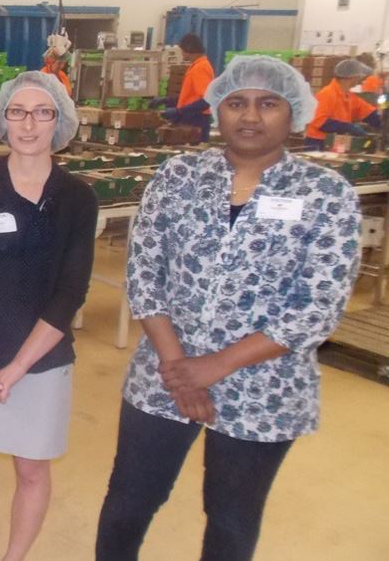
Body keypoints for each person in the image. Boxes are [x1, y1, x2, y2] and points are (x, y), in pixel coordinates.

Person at [95, 55, 362, 561]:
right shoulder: (178, 176)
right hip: (163, 378)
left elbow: (317, 305)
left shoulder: (326, 194)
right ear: (218, 109)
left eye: (268, 104)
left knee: (232, 520)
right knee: (129, 501)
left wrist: (214, 367)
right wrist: (179, 368)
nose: (251, 116)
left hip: (264, 389)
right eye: (237, 102)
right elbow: (145, 271)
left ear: (294, 113)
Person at [0, 71, 97, 561]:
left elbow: (70, 292)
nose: (29, 123)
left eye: (42, 112)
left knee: (32, 467)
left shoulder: (78, 198)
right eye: (18, 112)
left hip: (43, 360)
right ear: (2, 120)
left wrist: (18, 367)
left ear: (60, 121)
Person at [304, 58, 379, 150]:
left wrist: (384, 122)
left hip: (335, 142)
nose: (360, 79)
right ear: (352, 77)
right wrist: (348, 127)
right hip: (318, 143)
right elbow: (319, 121)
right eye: (359, 76)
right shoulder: (327, 94)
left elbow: (369, 114)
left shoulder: (349, 96)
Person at [162, 33, 215, 142]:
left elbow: (206, 100)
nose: (182, 54)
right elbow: (191, 97)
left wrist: (179, 111)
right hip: (191, 117)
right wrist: (167, 101)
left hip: (197, 119)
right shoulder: (196, 66)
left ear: (188, 50)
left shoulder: (200, 68)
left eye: (182, 51)